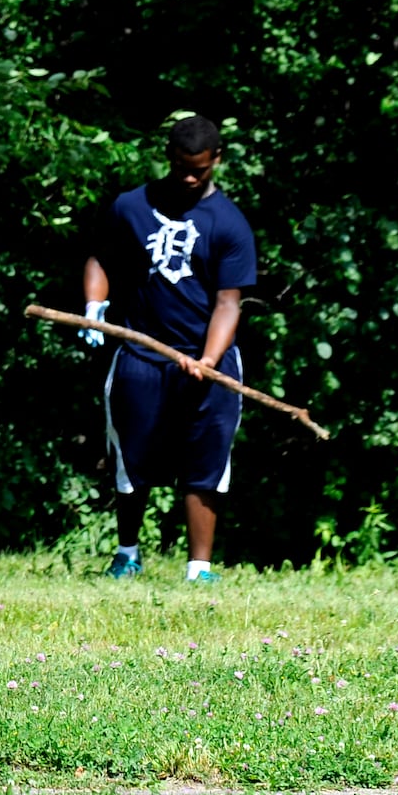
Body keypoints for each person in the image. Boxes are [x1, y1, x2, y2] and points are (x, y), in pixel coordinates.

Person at [80, 114, 255, 584]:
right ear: (168, 157)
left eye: (199, 168)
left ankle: (199, 568)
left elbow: (228, 303)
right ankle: (127, 554)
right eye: (181, 166)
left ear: (217, 159)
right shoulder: (131, 206)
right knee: (131, 456)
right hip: (141, 356)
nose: (190, 177)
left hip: (207, 361)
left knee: (207, 459)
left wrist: (209, 361)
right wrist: (95, 304)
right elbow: (101, 256)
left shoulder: (229, 223)